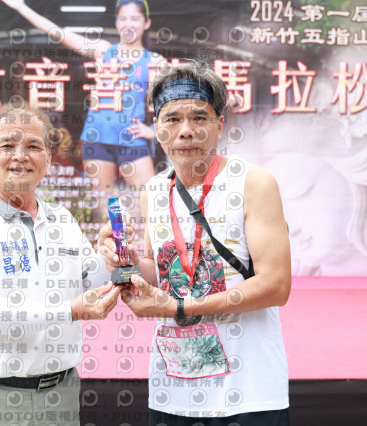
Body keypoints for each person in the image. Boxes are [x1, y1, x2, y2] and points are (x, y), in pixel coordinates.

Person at [101, 61, 292, 425]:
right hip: (174, 387)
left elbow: (276, 286)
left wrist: (179, 308)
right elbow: (159, 273)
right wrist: (124, 262)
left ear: (219, 125)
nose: (186, 130)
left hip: (248, 390)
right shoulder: (153, 191)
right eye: (172, 119)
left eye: (199, 118)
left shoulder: (253, 183)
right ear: (157, 127)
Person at [0, 102, 123, 426]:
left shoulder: (62, 219)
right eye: (7, 145)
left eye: (34, 146)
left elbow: (89, 285)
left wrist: (108, 258)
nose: (20, 156)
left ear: (48, 158)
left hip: (61, 395)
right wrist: (69, 311)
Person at [0, 0, 158, 202]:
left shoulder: (154, 61)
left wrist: (153, 131)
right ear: (116, 22)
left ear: (146, 23)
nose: (128, 24)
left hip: (133, 141)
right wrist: (22, 7)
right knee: (107, 204)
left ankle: (137, 226)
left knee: (151, 201)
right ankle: (117, 226)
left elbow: (172, 107)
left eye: (134, 18)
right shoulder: (104, 50)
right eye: (123, 18)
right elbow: (58, 33)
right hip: (97, 140)